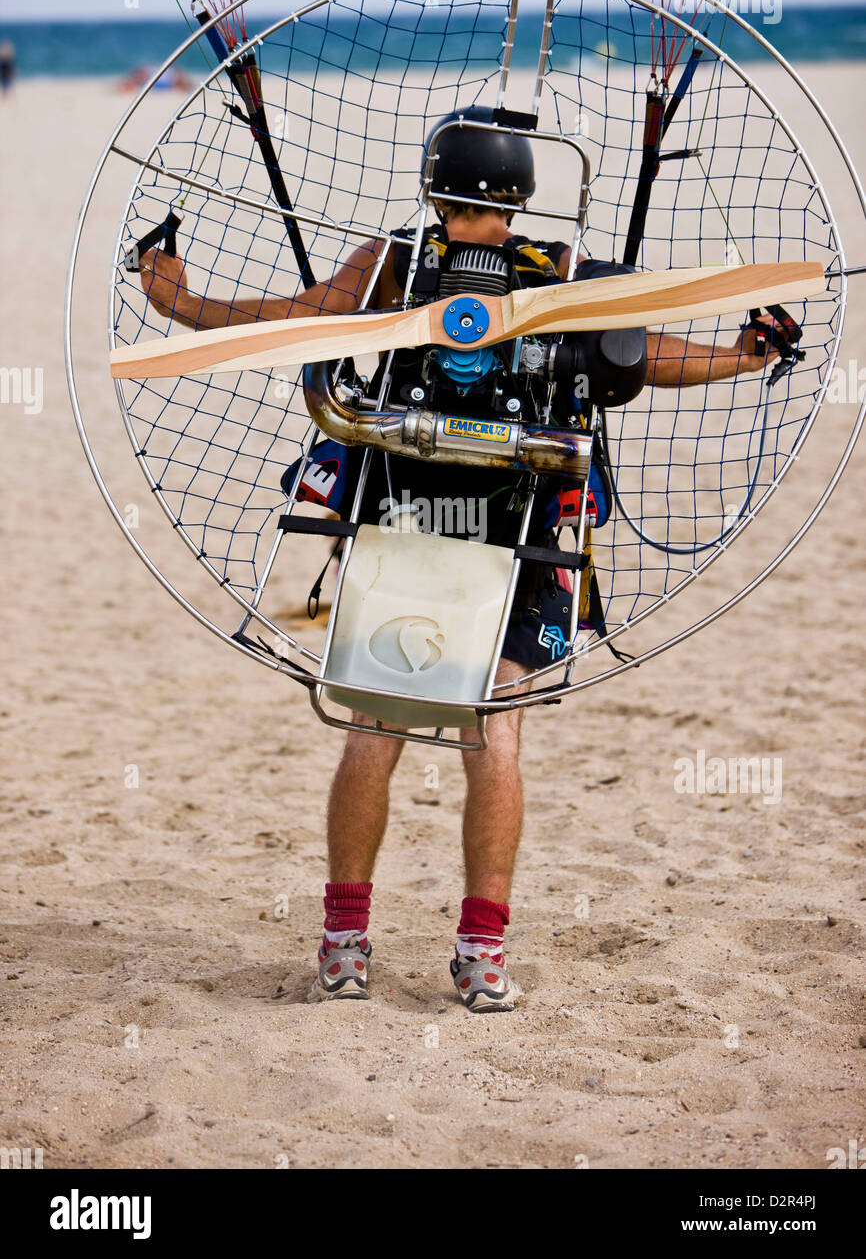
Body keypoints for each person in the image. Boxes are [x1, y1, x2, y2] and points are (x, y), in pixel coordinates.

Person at [139, 106, 788, 1012]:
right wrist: (743, 356)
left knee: (375, 728)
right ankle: (480, 954)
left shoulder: (390, 268)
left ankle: (344, 945)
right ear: (521, 194)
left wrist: (176, 301)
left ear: (434, 184)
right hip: (518, 532)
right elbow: (643, 362)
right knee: (497, 729)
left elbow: (284, 323)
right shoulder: (561, 274)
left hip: (409, 518)